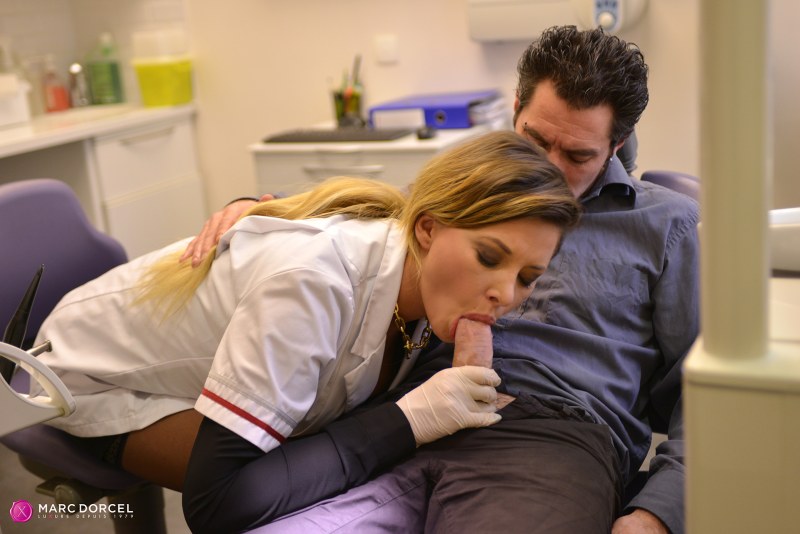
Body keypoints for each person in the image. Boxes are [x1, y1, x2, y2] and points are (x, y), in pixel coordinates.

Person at [183, 26, 699, 534]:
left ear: (616, 145)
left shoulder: (669, 227)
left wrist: (658, 512)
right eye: (535, 140)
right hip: (409, 411)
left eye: (578, 156)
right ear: (515, 109)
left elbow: (707, 395)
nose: (547, 168)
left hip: (555, 434)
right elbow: (394, 219)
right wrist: (265, 209)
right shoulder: (480, 184)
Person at [30, 130, 581, 494]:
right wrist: (409, 420)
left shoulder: (428, 286)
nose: (505, 295)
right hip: (83, 375)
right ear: (427, 229)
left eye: (527, 278)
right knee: (296, 485)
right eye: (490, 258)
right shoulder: (314, 283)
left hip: (178, 365)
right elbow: (222, 501)